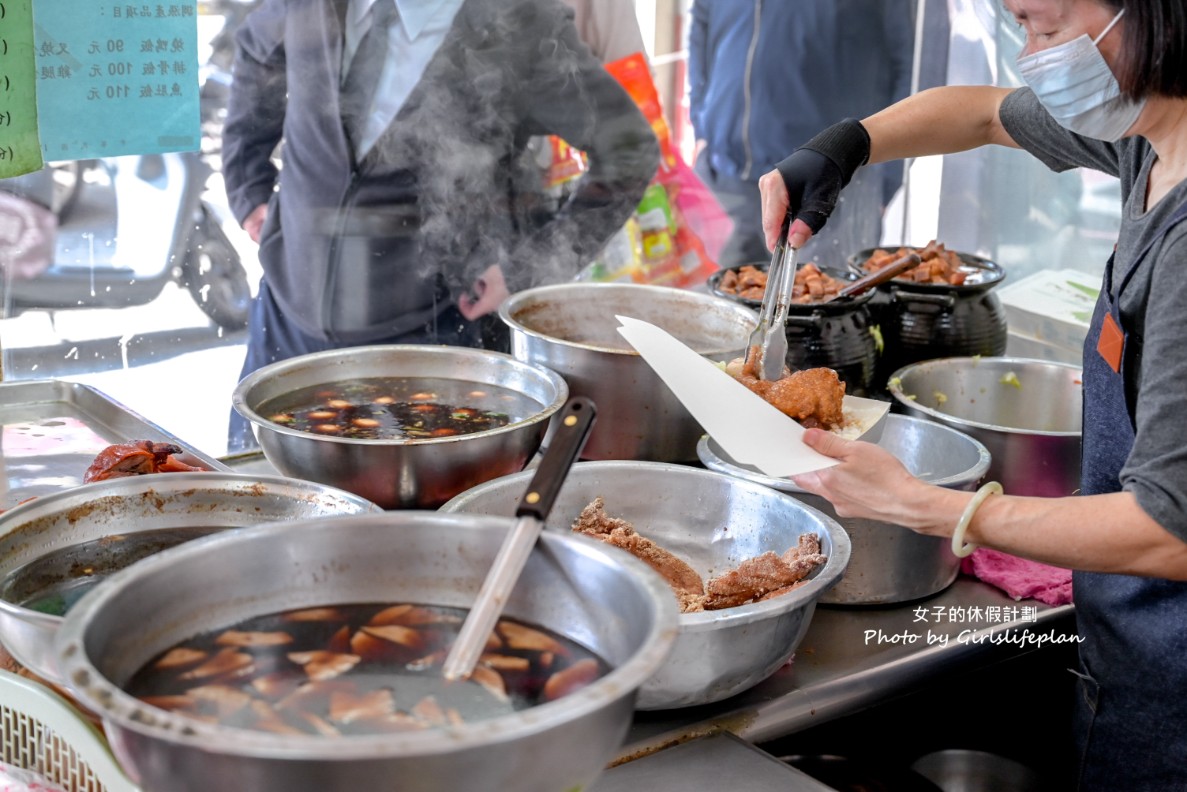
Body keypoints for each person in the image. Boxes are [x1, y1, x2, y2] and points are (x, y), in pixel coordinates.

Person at [757, 0, 1187, 787]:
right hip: (1125, 655)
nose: (1031, 55)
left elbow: (1171, 532)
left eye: (1046, 26)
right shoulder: (1150, 140)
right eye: (1016, 26)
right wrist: (846, 146)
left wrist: (932, 507)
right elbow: (984, 115)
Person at [222, 0, 660, 450]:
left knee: (406, 513)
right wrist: (246, 183)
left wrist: (525, 270)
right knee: (256, 490)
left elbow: (629, 150)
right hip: (286, 317)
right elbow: (258, 44)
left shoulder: (521, 23)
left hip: (433, 342)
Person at [688, 0, 914, 270]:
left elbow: (917, 60)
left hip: (828, 187)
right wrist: (703, 126)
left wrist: (889, 177)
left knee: (825, 305)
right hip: (726, 177)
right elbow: (701, 29)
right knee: (716, 307)